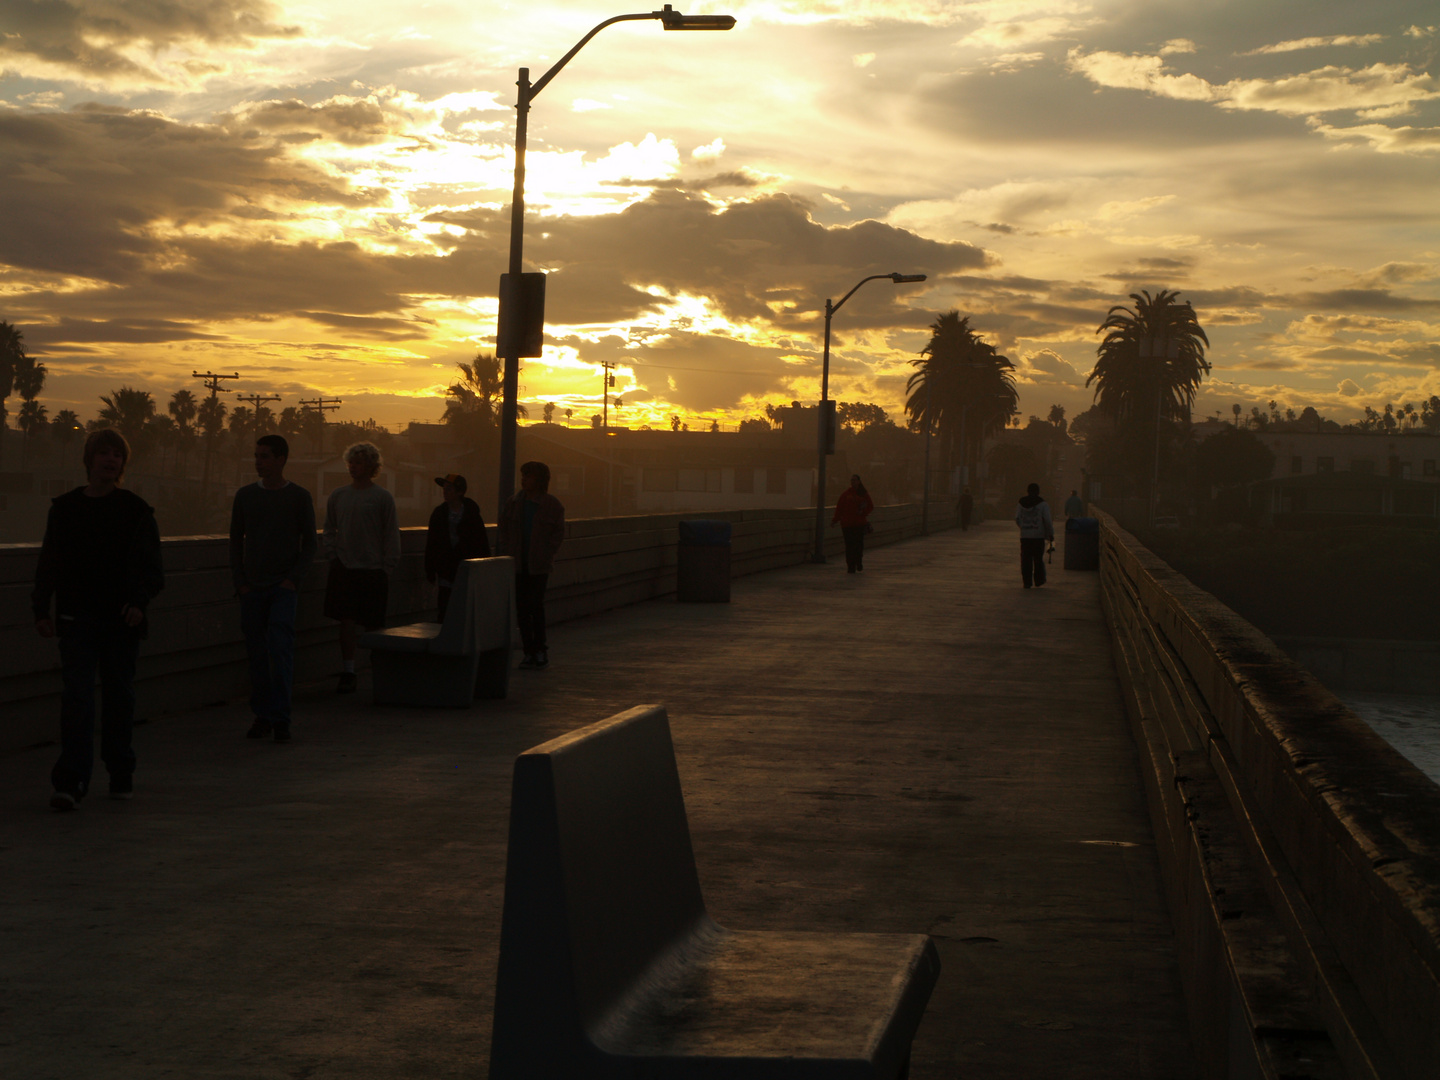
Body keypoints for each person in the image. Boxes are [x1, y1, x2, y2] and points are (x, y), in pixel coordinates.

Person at [32, 428, 164, 810]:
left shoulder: (136, 512)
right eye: (103, 453)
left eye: (117, 455)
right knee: (77, 700)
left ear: (123, 464)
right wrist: (41, 609)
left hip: (120, 622)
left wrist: (139, 603)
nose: (110, 460)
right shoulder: (66, 509)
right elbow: (49, 564)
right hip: (77, 619)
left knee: (118, 699)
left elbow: (153, 571)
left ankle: (120, 771)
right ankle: (72, 780)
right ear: (89, 459)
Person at [229, 434, 317, 743]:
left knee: (280, 652)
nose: (258, 461)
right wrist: (241, 583)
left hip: (282, 588)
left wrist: (293, 580)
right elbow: (235, 541)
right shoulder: (245, 496)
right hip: (253, 588)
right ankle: (263, 716)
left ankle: (280, 718)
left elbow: (311, 544)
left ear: (280, 459)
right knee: (256, 655)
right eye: (256, 455)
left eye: (264, 456)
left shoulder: (299, 497)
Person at [322, 442, 400, 692]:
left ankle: (379, 671)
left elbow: (391, 534)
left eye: (359, 463)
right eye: (351, 463)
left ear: (371, 466)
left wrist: (387, 567)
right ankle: (348, 671)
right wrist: (334, 556)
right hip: (344, 568)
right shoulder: (338, 495)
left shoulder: (382, 497)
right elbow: (329, 529)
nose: (353, 467)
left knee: (374, 625)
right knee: (346, 622)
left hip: (373, 570)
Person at [497, 461, 565, 670]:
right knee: (522, 609)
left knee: (535, 606)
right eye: (523, 476)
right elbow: (504, 530)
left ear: (540, 480)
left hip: (539, 566)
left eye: (529, 476)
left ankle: (540, 649)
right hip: (518, 565)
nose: (524, 480)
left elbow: (558, 534)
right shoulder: (514, 503)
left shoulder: (551, 505)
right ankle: (528, 651)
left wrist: (547, 553)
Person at [425, 473, 489, 621]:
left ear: (459, 492)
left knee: (464, 609)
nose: (445, 492)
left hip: (467, 569)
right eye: (444, 489)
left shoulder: (472, 513)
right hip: (446, 569)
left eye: (449, 489)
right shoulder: (439, 513)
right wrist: (430, 569)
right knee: (445, 607)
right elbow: (432, 542)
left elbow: (481, 541)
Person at [830, 473, 875, 573]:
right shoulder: (845, 495)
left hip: (859, 524)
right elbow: (839, 509)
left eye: (854, 480)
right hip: (847, 525)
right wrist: (835, 520)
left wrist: (863, 512)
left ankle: (858, 562)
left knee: (858, 545)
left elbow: (870, 506)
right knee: (849, 546)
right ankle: (851, 566)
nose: (853, 482)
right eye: (852, 480)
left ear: (859, 481)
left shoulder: (863, 494)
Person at [1015, 482, 1054, 589]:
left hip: (1025, 536)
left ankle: (1027, 582)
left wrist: (1023, 527)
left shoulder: (1021, 503)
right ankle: (1039, 580)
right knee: (1038, 559)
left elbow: (1017, 518)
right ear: (1038, 492)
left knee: (1025, 559)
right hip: (1038, 536)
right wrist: (1050, 534)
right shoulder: (1043, 504)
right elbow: (1047, 521)